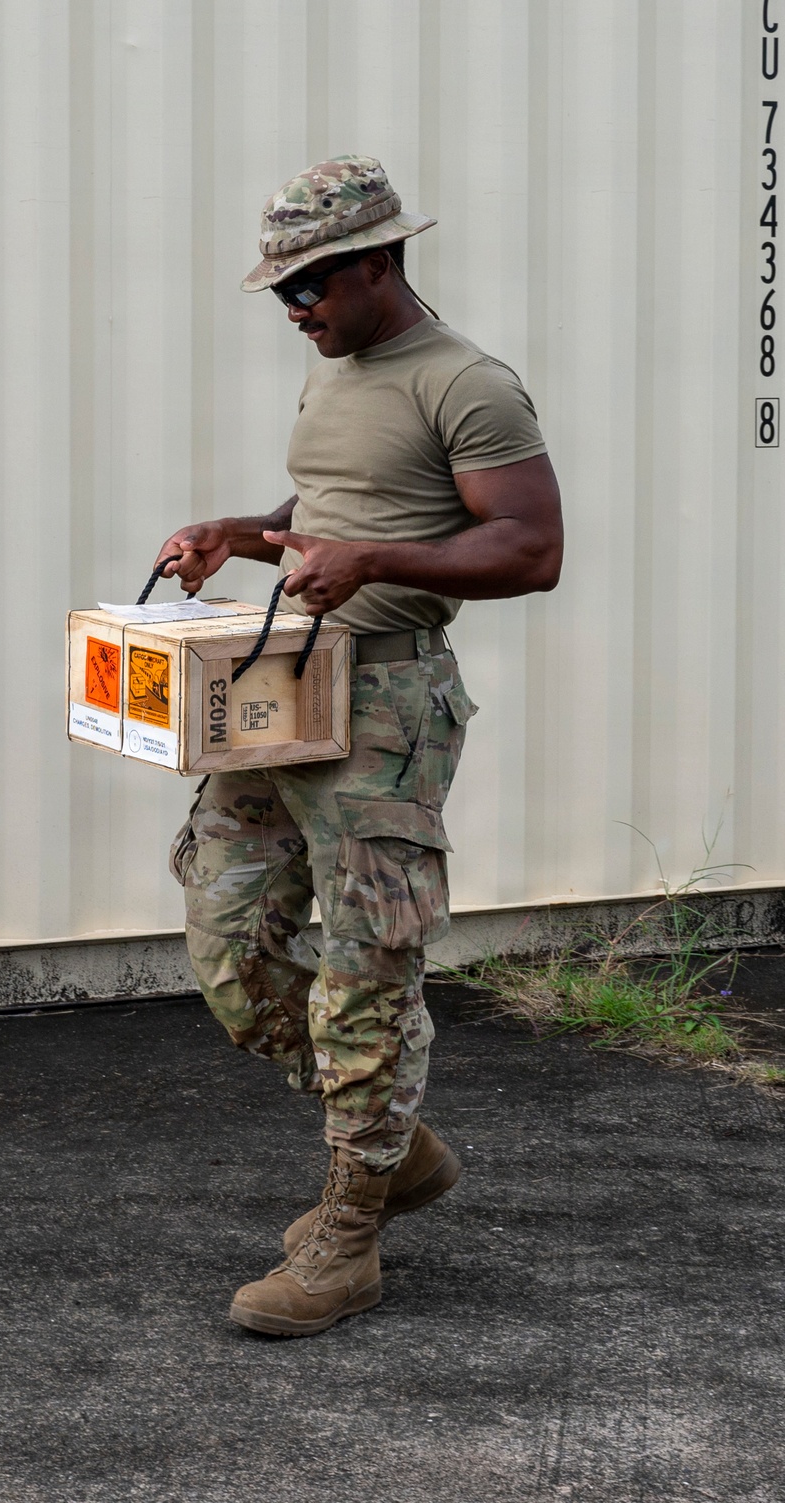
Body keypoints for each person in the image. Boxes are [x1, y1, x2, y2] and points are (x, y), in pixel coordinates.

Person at [155, 155, 563, 1338]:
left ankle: (349, 1233)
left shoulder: (468, 384)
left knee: (367, 967)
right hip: (288, 685)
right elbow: (334, 511)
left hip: (385, 710)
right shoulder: (336, 372)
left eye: (311, 290)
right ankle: (400, 1152)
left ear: (378, 263)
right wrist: (242, 532)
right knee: (230, 948)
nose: (295, 313)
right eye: (281, 294)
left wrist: (374, 566)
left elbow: (529, 550)